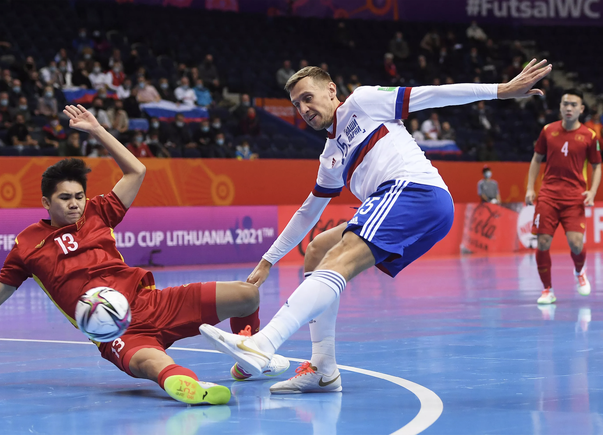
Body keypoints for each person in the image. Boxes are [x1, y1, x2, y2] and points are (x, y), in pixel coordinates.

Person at [199, 60, 552, 393]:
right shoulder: (330, 157)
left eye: (308, 98)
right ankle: (323, 368)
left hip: (414, 190)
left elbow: (433, 94)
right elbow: (308, 212)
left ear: (331, 91)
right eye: (296, 104)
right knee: (321, 247)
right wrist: (267, 261)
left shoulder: (364, 102)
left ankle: (264, 343)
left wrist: (499, 90)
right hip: (400, 201)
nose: (303, 109)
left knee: (340, 257)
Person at [0, 105, 289, 405]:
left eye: (78, 196)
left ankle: (246, 361)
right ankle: (186, 385)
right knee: (152, 364)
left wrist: (97, 130)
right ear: (45, 201)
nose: (74, 204)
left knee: (247, 295)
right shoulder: (27, 245)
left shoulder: (97, 211)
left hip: (152, 301)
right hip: (114, 331)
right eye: (64, 198)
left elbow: (136, 171)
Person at [525, 89, 601, 305]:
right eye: (565, 104)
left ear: (581, 109)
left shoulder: (590, 136)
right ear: (560, 107)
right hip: (548, 195)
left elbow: (597, 166)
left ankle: (580, 271)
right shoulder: (548, 131)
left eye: (574, 105)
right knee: (543, 242)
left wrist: (593, 191)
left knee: (576, 244)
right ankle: (547, 290)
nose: (569, 108)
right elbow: (536, 159)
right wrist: (531, 188)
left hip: (574, 197)